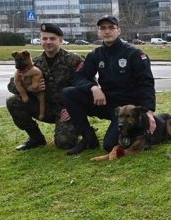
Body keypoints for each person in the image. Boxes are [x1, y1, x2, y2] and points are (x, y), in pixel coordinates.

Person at [61, 15, 156, 155]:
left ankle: (138, 130)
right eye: (103, 28)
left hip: (126, 109)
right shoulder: (95, 55)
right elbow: (79, 77)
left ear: (119, 31)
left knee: (109, 145)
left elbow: (146, 83)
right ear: (99, 32)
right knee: (69, 93)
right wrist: (93, 87)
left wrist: (148, 111)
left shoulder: (134, 53)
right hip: (106, 102)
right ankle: (88, 139)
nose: (107, 31)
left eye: (111, 27)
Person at [7, 23, 83, 151]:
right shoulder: (33, 63)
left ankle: (83, 130)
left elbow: (88, 86)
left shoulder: (73, 60)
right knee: (13, 101)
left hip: (66, 111)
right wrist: (29, 88)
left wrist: (74, 108)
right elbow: (11, 85)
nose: (48, 42)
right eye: (44, 38)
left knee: (65, 143)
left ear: (61, 40)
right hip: (43, 108)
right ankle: (36, 138)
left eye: (52, 39)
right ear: (40, 40)